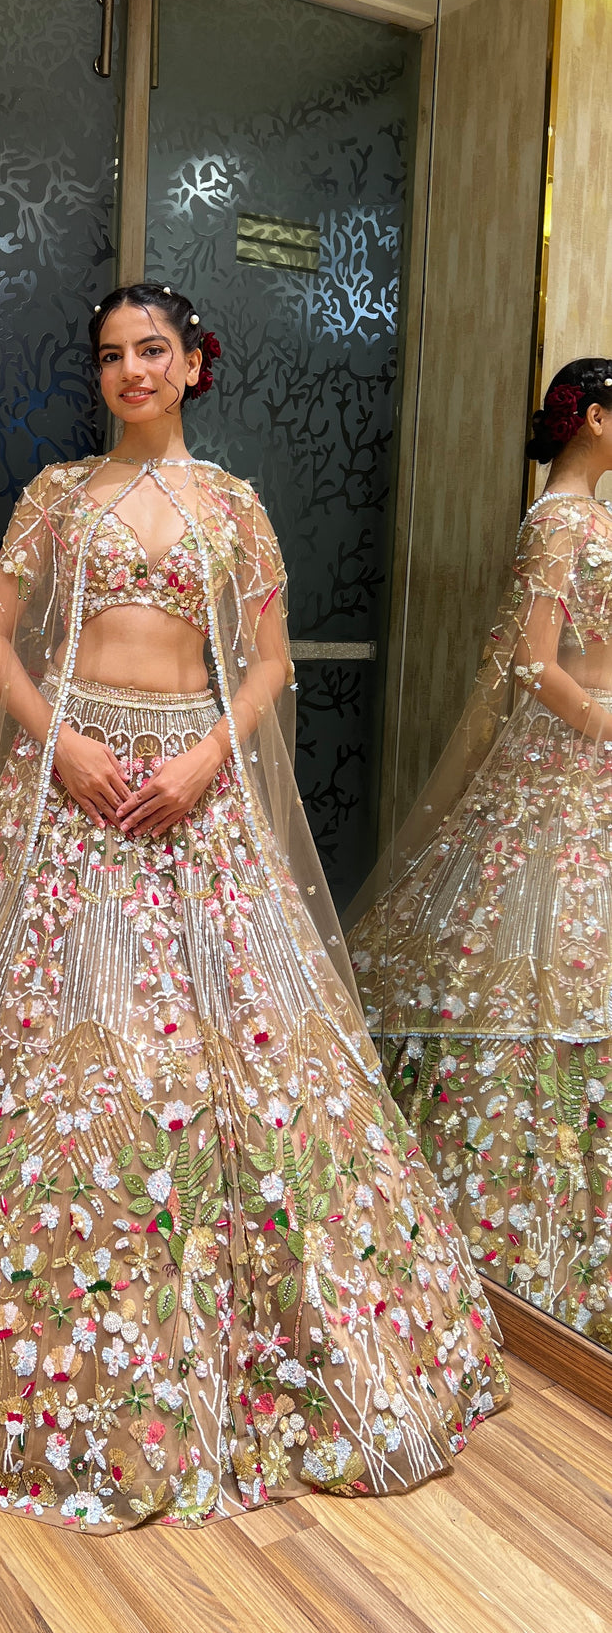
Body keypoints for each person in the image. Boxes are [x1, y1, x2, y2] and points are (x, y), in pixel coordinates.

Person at [0, 282, 506, 1534]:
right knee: (64, 1051)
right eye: (111, 354)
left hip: (192, 787)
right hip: (70, 790)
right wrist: (63, 745)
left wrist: (205, 759)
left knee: (236, 1053)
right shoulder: (57, 496)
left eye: (152, 349)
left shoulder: (234, 506)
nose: (130, 369)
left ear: (191, 366)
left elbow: (270, 661)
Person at [349, 359, 612, 1344]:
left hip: (589, 751)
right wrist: (603, 728)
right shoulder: (559, 520)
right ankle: (508, 1219)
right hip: (570, 757)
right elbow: (533, 663)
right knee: (534, 960)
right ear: (594, 419)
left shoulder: (589, 518)